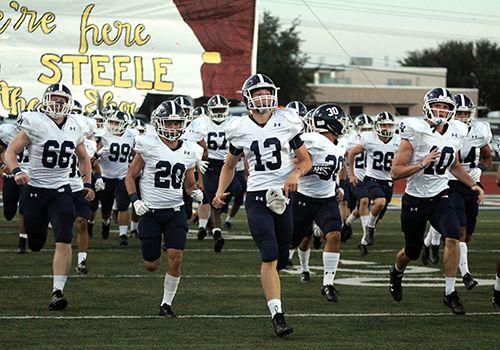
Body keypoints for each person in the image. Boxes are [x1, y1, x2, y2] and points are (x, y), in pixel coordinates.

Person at [213, 74, 311, 337]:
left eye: (267, 91)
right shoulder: (239, 128)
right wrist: (220, 191)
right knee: (269, 254)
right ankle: (277, 315)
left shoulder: (286, 122)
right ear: (247, 98)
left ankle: (273, 287)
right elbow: (229, 165)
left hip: (284, 194)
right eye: (258, 92)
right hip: (257, 196)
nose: (263, 96)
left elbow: (305, 160)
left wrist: (295, 174)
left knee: (280, 254)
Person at [389, 87, 484, 315]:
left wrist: (472, 184)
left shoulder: (458, 130)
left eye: (445, 107)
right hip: (415, 199)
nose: (440, 110)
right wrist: (422, 163)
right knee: (411, 251)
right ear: (427, 106)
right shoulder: (414, 130)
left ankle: (450, 293)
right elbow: (395, 172)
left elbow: (454, 165)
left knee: (453, 235)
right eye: (437, 106)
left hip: (441, 194)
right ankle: (396, 272)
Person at [4, 83, 94, 310]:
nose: (58, 103)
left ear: (69, 103)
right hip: (35, 189)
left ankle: (57, 291)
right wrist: (17, 171)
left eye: (63, 99)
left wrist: (87, 182)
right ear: (45, 100)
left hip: (62, 190)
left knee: (64, 238)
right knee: (36, 242)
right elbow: (10, 152)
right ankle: (34, 239)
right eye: (54, 98)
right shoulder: (35, 122)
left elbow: (84, 158)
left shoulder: (76, 125)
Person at [125, 100, 204, 317]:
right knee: (151, 264)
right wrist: (135, 200)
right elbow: (130, 176)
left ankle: (166, 304)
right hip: (150, 211)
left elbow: (189, 184)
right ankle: (157, 245)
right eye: (169, 124)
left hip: (175, 211)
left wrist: (195, 192)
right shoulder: (148, 144)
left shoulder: (189, 150)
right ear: (158, 123)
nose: (173, 128)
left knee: (176, 256)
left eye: (177, 123)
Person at [421, 94, 492, 291]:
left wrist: (481, 170)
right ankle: (466, 275)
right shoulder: (445, 130)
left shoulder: (480, 130)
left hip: (471, 183)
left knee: (467, 234)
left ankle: (428, 241)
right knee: (458, 231)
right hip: (450, 183)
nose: (461, 116)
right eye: (458, 112)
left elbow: (487, 157)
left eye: (464, 113)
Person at [290, 103, 348, 301]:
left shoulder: (340, 143)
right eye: (340, 120)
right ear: (330, 124)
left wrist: (337, 186)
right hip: (303, 198)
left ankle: (328, 284)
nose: (343, 123)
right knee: (291, 242)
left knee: (334, 235)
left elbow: (335, 168)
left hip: (326, 199)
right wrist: (314, 169)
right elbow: (294, 162)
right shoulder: (311, 139)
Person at [348, 112, 400, 256]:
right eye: (384, 124)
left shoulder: (398, 140)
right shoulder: (369, 138)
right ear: (377, 125)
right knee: (380, 202)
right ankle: (369, 228)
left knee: (379, 216)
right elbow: (352, 153)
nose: (386, 127)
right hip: (371, 179)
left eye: (389, 124)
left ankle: (364, 241)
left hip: (388, 180)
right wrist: (351, 174)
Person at [96, 110, 138, 245]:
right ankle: (106, 222)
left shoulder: (131, 136)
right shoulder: (103, 135)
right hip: (106, 176)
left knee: (123, 205)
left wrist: (133, 162)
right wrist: (99, 153)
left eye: (117, 123)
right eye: (112, 122)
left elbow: (135, 153)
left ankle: (123, 234)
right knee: (106, 208)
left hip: (122, 176)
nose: (114, 125)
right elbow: (93, 157)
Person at [0, 113, 30, 253]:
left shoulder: (40, 133)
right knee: (9, 213)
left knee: (25, 209)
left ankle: (22, 241)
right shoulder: (7, 131)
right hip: (11, 175)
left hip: (28, 176)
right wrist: (2, 165)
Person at [342, 114, 373, 242]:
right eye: (363, 129)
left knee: (361, 206)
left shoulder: (375, 139)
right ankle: (366, 234)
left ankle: (346, 224)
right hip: (353, 178)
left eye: (368, 129)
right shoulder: (350, 140)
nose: (366, 132)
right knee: (363, 201)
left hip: (369, 178)